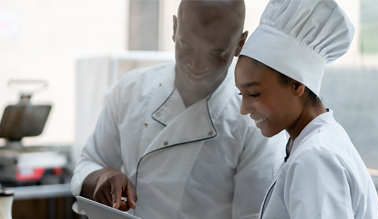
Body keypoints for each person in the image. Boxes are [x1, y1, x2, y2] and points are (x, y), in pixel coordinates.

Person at [70, 0, 287, 218]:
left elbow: (253, 214)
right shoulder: (132, 89)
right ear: (174, 29)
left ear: (240, 44)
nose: (197, 65)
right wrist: (101, 177)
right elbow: (89, 163)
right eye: (186, 47)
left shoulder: (255, 120)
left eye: (216, 54)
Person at [235, 0, 378, 218]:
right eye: (241, 94)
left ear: (297, 85)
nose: (243, 109)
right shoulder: (318, 141)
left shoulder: (315, 157)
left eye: (254, 94)